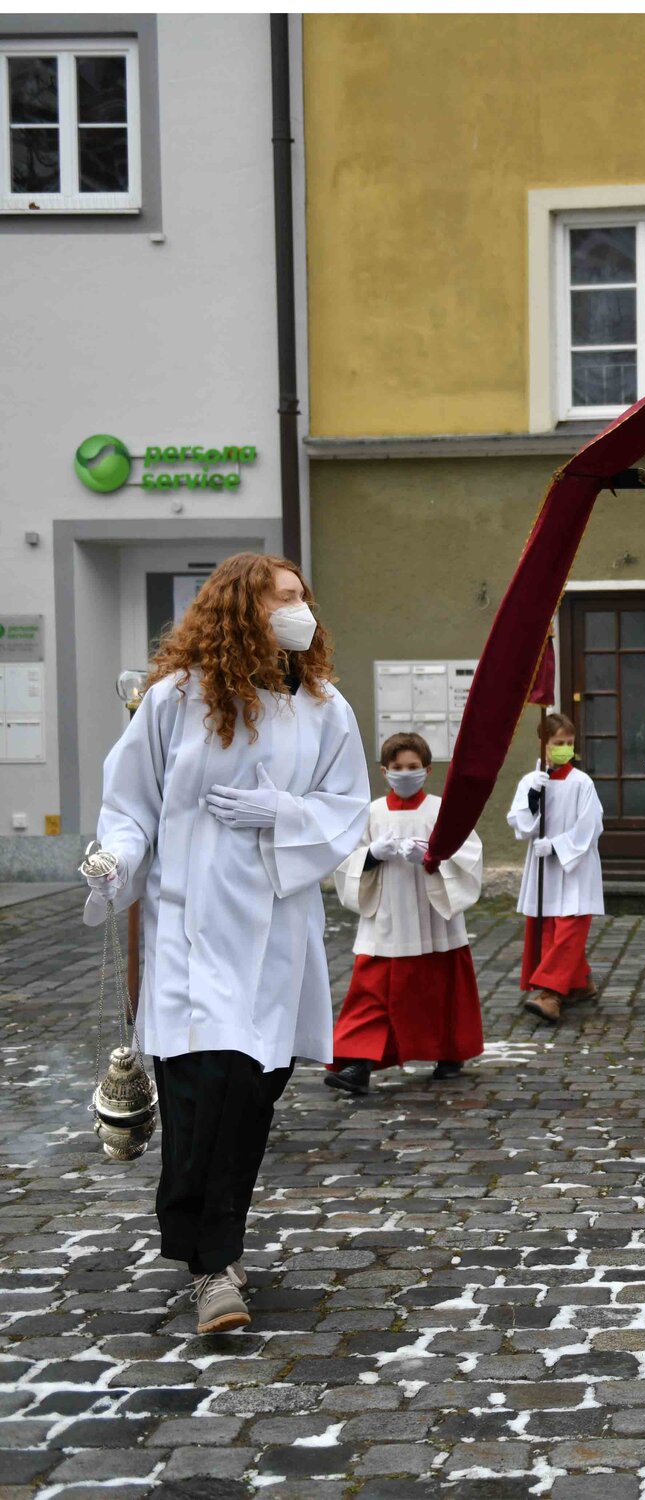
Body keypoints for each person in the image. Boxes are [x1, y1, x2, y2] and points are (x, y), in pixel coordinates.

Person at [83, 553, 368, 1334]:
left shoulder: (323, 706)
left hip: (274, 932)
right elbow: (131, 802)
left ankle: (202, 1232)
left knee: (249, 1094)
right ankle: (215, 1263)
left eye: (303, 596)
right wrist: (115, 860)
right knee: (206, 1086)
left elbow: (346, 807)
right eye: (282, 596)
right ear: (243, 608)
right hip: (191, 926)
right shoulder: (176, 699)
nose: (298, 608)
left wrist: (283, 813)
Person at [326, 733, 484, 1095]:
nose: (405, 773)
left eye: (413, 767)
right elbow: (346, 857)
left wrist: (432, 856)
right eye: (397, 768)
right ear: (384, 771)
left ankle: (449, 1052)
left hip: (432, 914)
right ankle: (357, 1064)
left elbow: (468, 854)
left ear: (427, 769)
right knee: (371, 992)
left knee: (440, 987)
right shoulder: (371, 812)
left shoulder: (442, 810)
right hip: (387, 915)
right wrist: (371, 855)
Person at [507, 714, 605, 1025]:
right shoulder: (530, 781)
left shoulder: (582, 783)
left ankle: (550, 994)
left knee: (569, 930)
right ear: (543, 745)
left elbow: (591, 826)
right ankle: (580, 983)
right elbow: (520, 825)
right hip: (544, 871)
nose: (564, 748)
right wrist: (533, 799)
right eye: (557, 743)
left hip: (575, 868)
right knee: (549, 929)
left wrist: (558, 845)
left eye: (568, 743)